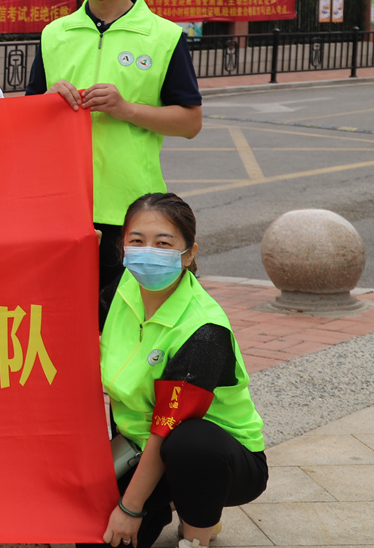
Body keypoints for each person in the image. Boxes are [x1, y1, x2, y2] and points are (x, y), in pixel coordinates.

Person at [26, 0, 202, 293]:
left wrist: (126, 109)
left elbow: (191, 123)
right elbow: (28, 123)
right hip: (64, 209)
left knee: (131, 318)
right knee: (67, 317)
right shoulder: (54, 35)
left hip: (134, 212)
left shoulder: (164, 36)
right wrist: (48, 102)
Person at [95, 193, 266, 548]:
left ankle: (198, 528)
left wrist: (130, 507)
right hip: (138, 446)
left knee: (189, 445)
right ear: (122, 246)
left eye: (163, 243)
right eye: (136, 241)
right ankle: (172, 499)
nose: (147, 252)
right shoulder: (124, 288)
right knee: (92, 535)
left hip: (217, 457)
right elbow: (66, 317)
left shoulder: (204, 330)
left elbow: (166, 427)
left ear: (189, 254)